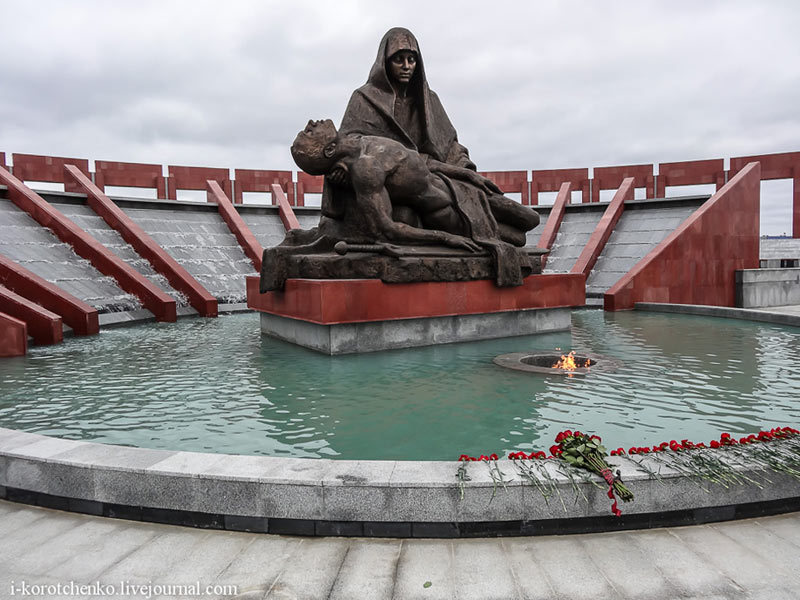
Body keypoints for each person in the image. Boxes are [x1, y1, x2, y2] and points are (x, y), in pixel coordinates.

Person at [321, 27, 537, 247]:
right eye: (399, 60)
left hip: (442, 175)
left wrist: (465, 171)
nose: (406, 66)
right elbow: (347, 145)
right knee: (512, 238)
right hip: (399, 185)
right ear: (385, 62)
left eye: (411, 60)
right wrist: (342, 171)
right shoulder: (364, 98)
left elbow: (451, 146)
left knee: (528, 219)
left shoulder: (428, 100)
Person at [290, 119, 533, 286]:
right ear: (330, 150)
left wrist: (468, 174)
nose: (311, 123)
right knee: (517, 239)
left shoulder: (362, 139)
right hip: (450, 214)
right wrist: (445, 237)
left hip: (460, 188)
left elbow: (421, 162)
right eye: (309, 132)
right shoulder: (365, 169)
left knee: (530, 219)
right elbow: (388, 229)